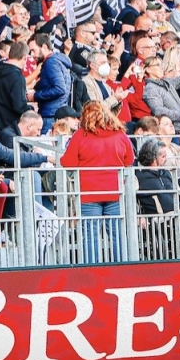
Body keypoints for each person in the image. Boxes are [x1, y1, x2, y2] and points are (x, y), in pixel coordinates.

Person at [59, 101, 134, 264]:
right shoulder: (119, 133)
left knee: (90, 237)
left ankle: (91, 273)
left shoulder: (80, 135)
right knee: (117, 235)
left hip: (88, 193)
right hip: (115, 192)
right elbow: (130, 159)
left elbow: (67, 162)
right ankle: (121, 269)